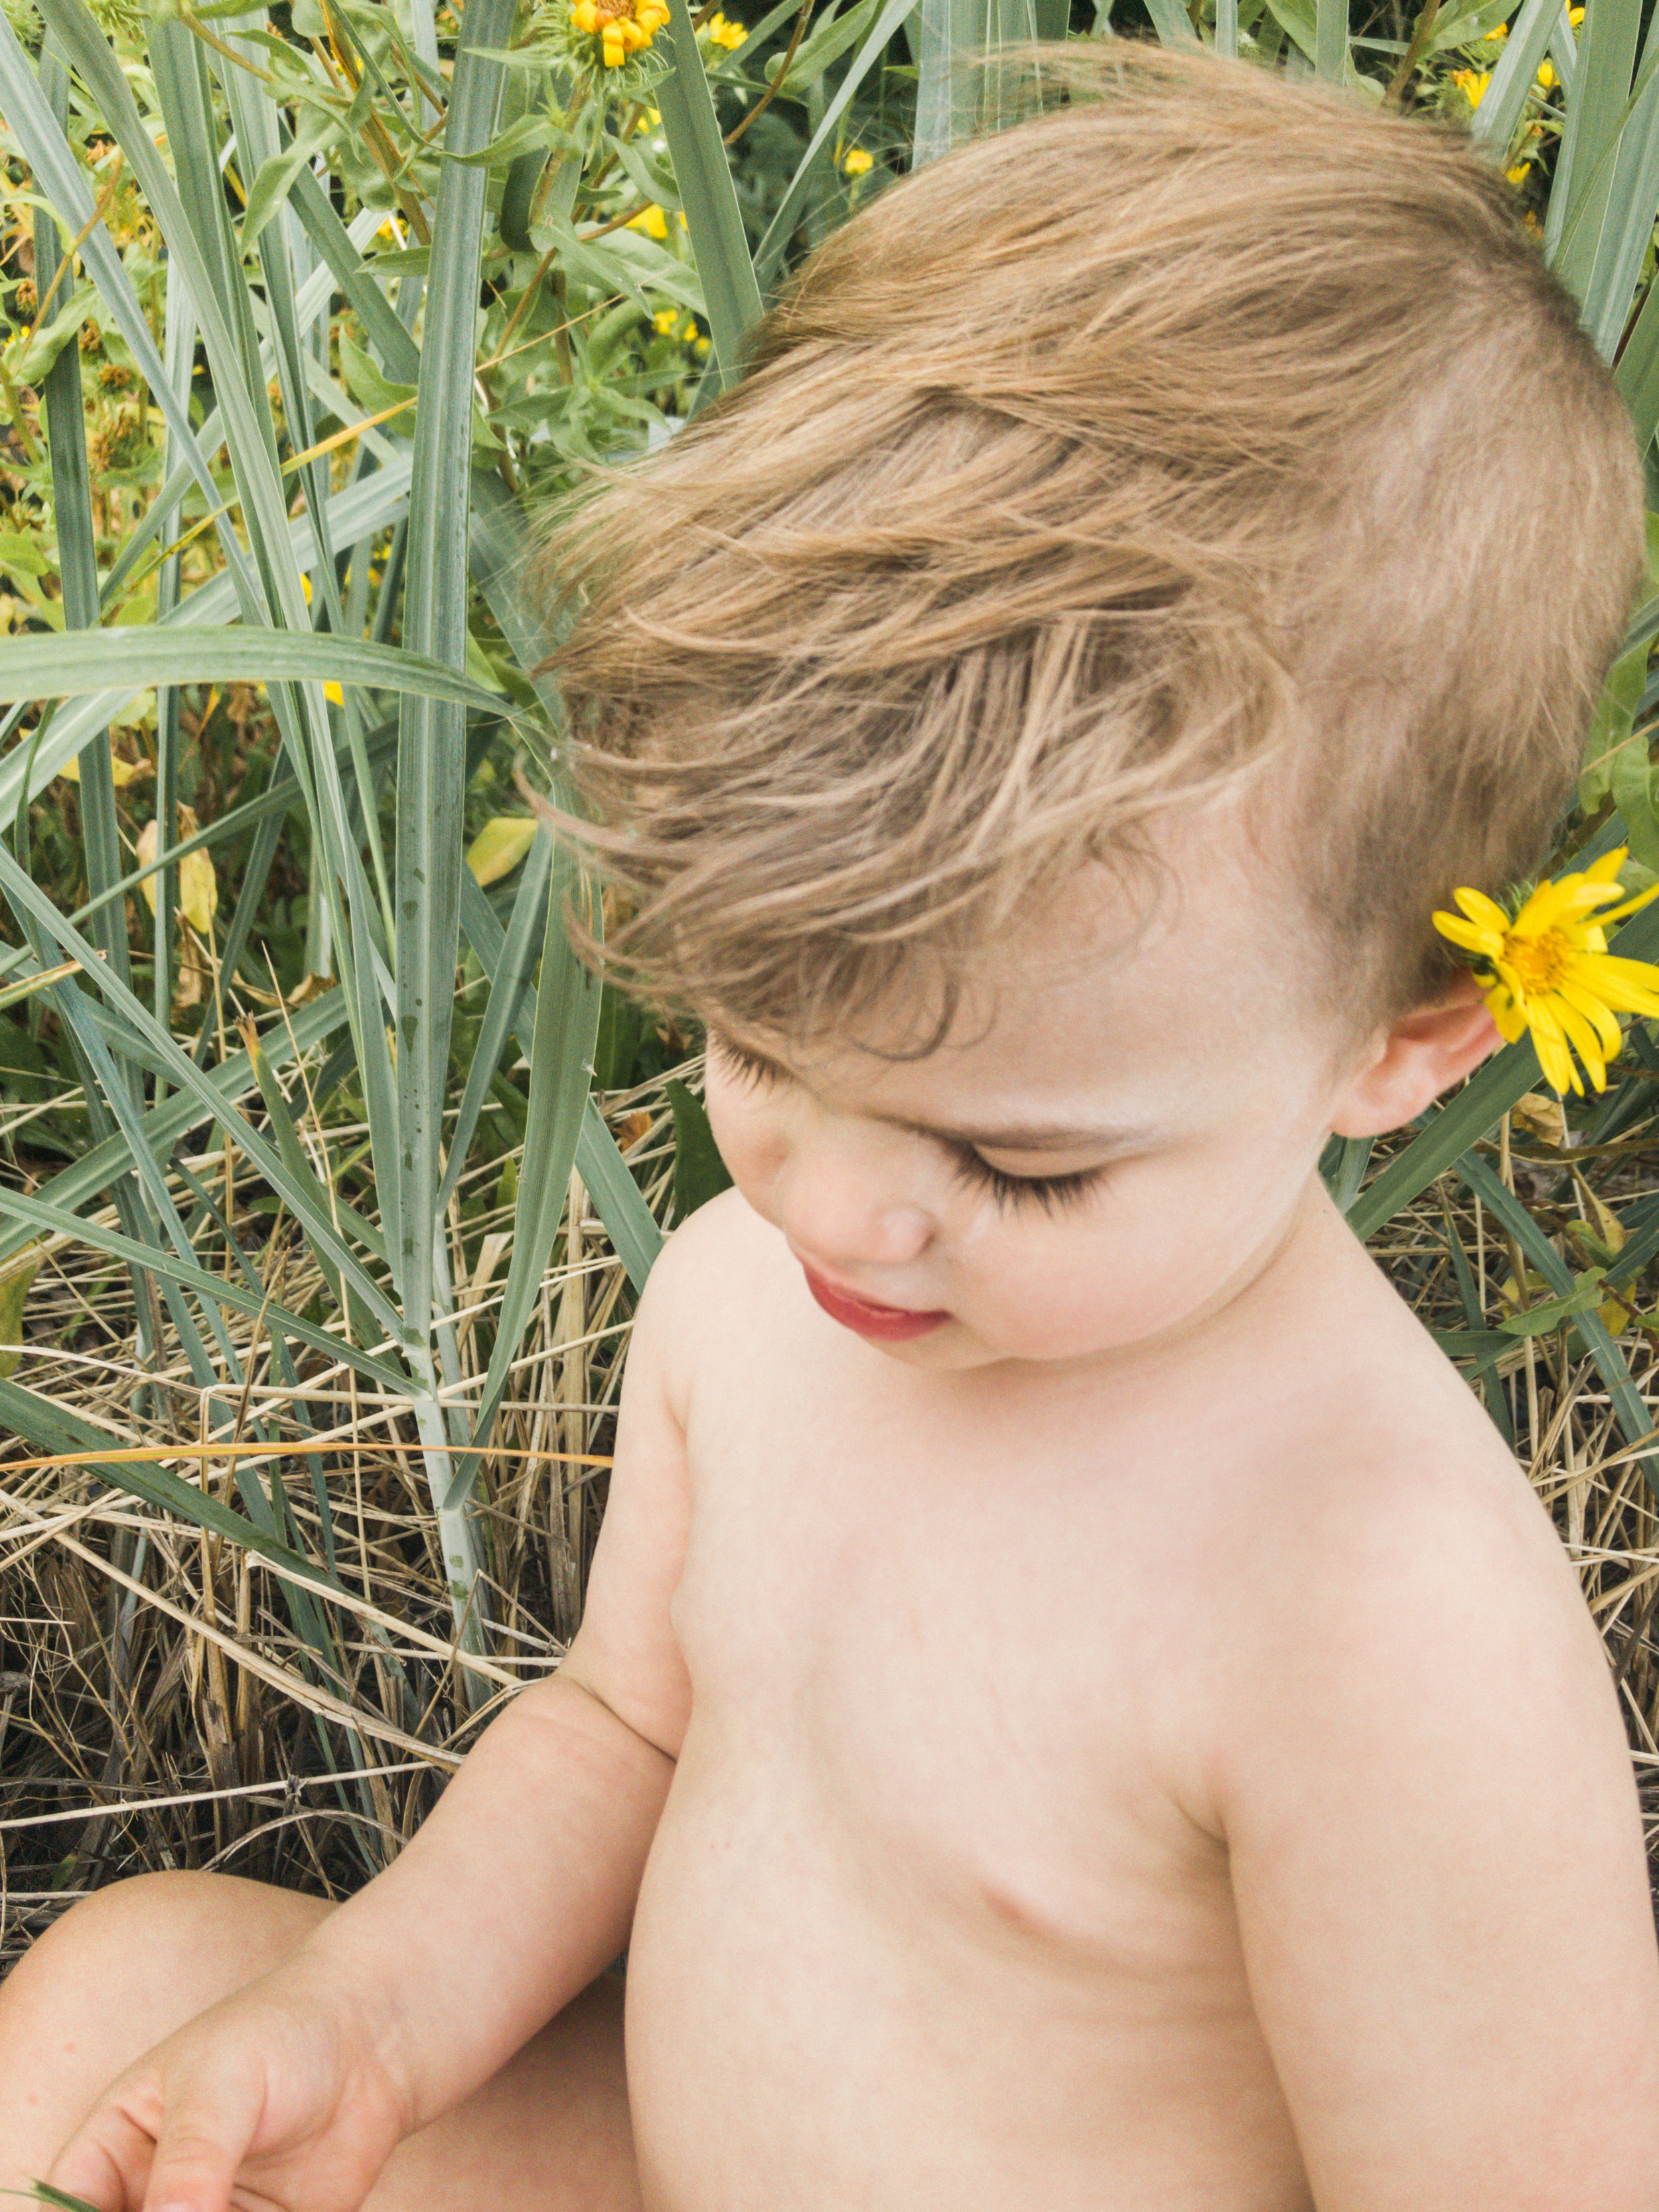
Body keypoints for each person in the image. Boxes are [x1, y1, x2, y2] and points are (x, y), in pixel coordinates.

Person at [4, 38, 1659, 2212]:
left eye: (1023, 1163)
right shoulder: (751, 1302)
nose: (844, 1205)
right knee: (132, 2007)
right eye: (760, 1050)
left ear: (1409, 1044)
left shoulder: (1373, 1611)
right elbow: (626, 1730)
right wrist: (373, 2022)